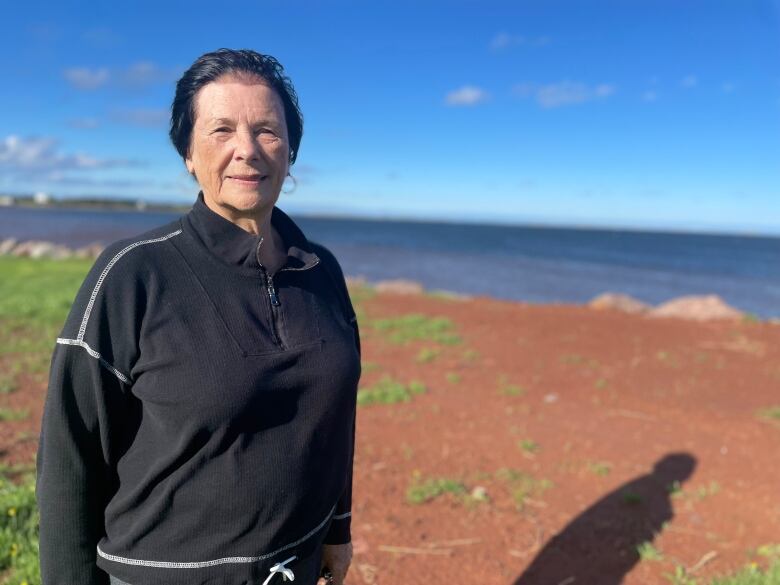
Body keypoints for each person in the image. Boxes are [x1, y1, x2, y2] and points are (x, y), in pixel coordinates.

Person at [36, 48, 361, 585]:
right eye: (221, 130)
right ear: (187, 153)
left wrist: (336, 528)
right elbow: (70, 458)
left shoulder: (321, 270)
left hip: (294, 569)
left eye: (267, 131)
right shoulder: (132, 274)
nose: (247, 150)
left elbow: (334, 415)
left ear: (292, 150)